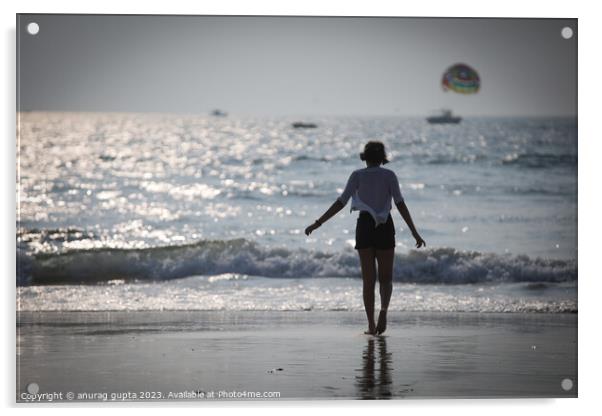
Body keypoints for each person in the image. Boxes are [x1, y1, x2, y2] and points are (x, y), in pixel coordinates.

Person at [305, 141, 426, 335]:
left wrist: (317, 223)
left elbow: (341, 202)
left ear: (365, 157)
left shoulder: (357, 175)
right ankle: (384, 312)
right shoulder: (389, 175)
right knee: (386, 279)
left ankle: (370, 325)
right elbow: (400, 204)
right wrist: (414, 232)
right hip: (385, 226)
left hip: (364, 226)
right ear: (382, 158)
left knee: (368, 281)